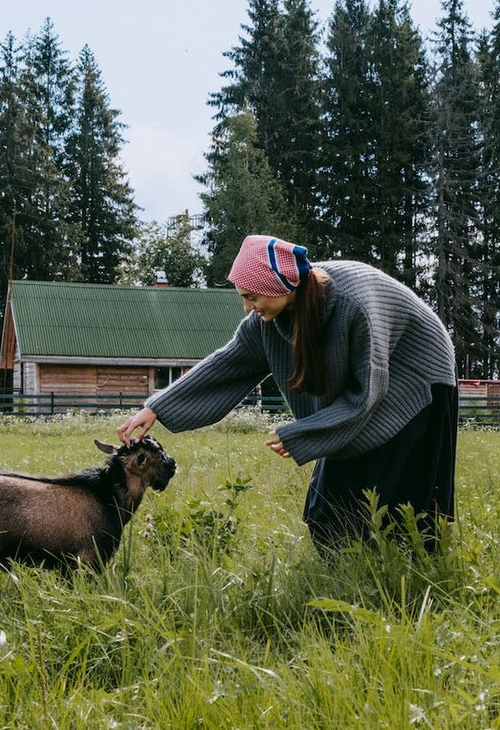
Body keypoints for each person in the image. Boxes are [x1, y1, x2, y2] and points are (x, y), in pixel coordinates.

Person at [118, 235, 458, 555]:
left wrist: (304, 432)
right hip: (374, 384)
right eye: (242, 297)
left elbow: (367, 393)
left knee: (400, 495)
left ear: (279, 286)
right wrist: (157, 407)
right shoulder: (267, 322)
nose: (247, 308)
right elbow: (227, 364)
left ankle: (405, 568)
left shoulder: (353, 305)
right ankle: (349, 566)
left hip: (416, 375)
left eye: (252, 297)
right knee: (328, 514)